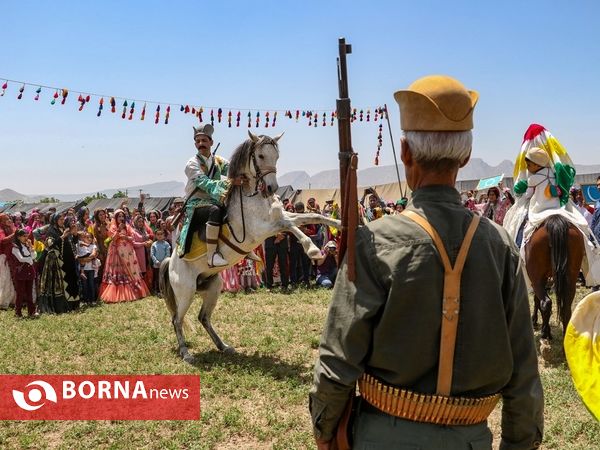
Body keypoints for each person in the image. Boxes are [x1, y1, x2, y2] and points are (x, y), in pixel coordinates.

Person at [309, 75, 543, 450]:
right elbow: (525, 377)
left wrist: (324, 431)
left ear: (405, 152)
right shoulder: (500, 246)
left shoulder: (373, 242)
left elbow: (337, 361)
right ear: (465, 156)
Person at [503, 127, 600, 287]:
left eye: (529, 163)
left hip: (539, 209)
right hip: (558, 207)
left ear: (537, 164)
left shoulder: (533, 178)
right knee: (581, 224)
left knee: (519, 229)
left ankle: (517, 256)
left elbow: (527, 194)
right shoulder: (554, 174)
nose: (526, 166)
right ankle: (593, 246)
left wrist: (522, 192)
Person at [179, 124, 237, 265]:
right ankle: (212, 255)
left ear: (211, 142)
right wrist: (232, 183)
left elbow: (233, 169)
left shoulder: (218, 161)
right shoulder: (192, 164)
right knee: (215, 210)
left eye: (204, 141)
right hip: (196, 204)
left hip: (214, 200)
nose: (201, 144)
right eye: (198, 141)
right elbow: (206, 184)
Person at [99, 209, 150, 303]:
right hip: (116, 252)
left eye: (123, 216)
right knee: (118, 272)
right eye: (119, 216)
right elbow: (113, 239)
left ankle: (134, 291)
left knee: (130, 271)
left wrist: (126, 237)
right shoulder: (113, 227)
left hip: (128, 252)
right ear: (116, 218)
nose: (121, 218)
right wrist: (118, 230)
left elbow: (132, 238)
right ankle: (118, 294)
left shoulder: (127, 226)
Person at [37, 213, 81, 314]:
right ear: (55, 220)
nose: (62, 221)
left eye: (62, 219)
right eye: (60, 219)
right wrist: (62, 236)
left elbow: (72, 242)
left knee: (71, 281)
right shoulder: (51, 231)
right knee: (61, 283)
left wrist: (75, 235)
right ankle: (61, 306)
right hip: (57, 262)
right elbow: (50, 245)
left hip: (68, 260)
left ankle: (73, 304)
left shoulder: (65, 229)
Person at [11, 229, 38, 318]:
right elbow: (20, 258)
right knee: (20, 293)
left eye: (26, 236)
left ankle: (32, 311)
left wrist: (31, 247)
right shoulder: (15, 247)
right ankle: (18, 312)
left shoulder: (27, 245)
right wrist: (30, 260)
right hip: (20, 272)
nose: (26, 238)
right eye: (24, 236)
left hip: (29, 271)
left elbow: (34, 256)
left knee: (29, 292)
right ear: (18, 237)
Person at [0, 213, 17, 310]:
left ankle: (11, 299)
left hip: (11, 256)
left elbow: (16, 234)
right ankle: (3, 300)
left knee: (11, 278)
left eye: (9, 218)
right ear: (1, 221)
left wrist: (13, 227)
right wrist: (14, 234)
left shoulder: (9, 228)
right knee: (4, 278)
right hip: (3, 257)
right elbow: (2, 240)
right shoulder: (1, 230)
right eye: (6, 219)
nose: (9, 220)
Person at [150, 229, 171, 295]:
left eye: (161, 234)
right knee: (157, 278)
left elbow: (168, 254)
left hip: (164, 265)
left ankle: (165, 290)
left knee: (164, 277)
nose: (159, 236)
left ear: (164, 235)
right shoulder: (154, 244)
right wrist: (156, 261)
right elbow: (152, 254)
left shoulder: (166, 244)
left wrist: (163, 262)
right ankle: (158, 291)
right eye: (158, 234)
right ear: (155, 236)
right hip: (156, 265)